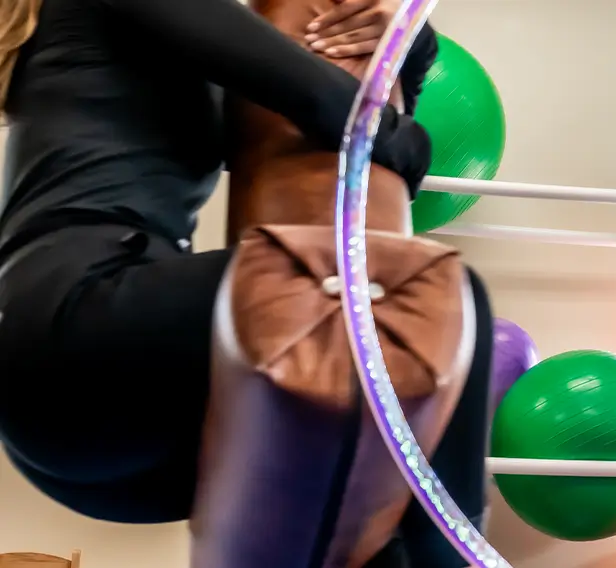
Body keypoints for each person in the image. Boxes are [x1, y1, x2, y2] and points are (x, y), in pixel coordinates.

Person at [0, 0, 491, 565]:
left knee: (364, 515)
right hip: (80, 321)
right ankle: (460, 553)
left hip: (95, 438)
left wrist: (413, 41)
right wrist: (413, 140)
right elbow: (328, 102)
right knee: (440, 296)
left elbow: (344, 103)